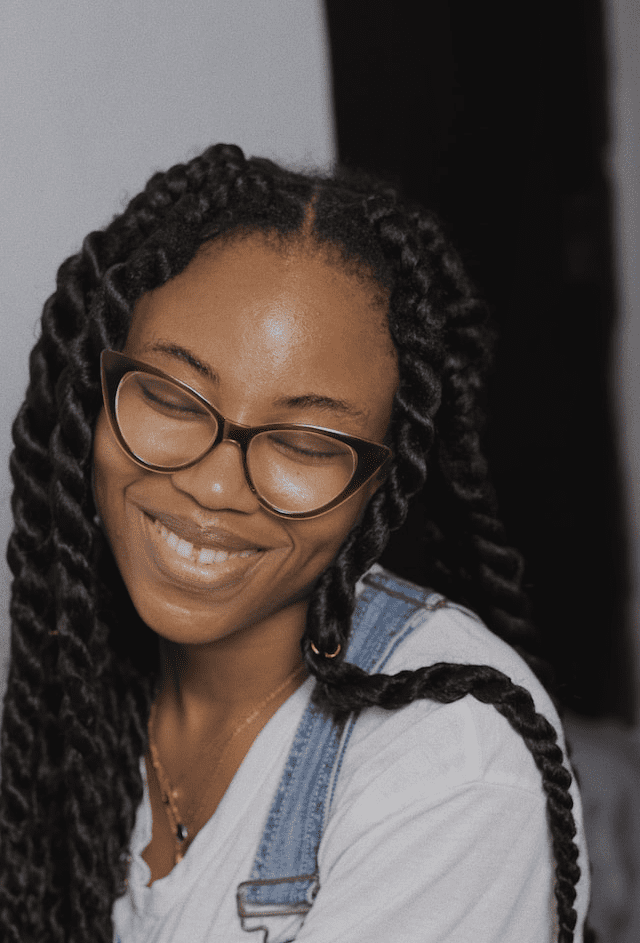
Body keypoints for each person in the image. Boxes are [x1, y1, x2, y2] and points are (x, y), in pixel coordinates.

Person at [0, 143, 591, 943]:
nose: (213, 486)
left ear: (379, 486)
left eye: (307, 445)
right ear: (92, 400)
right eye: (172, 398)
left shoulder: (454, 772)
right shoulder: (72, 688)